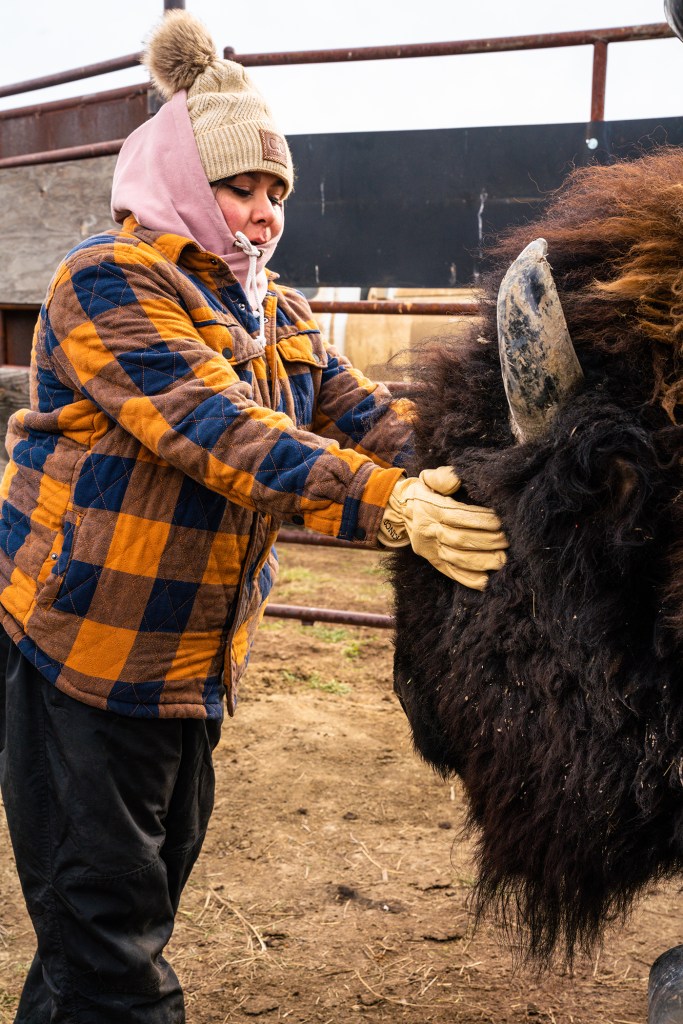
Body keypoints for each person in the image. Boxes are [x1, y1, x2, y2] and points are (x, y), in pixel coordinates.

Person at [0, 11, 507, 1023]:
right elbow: (210, 426)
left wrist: (490, 475)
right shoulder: (106, 280)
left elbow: (364, 413)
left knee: (111, 917)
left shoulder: (273, 309)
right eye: (239, 186)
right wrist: (386, 503)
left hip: (190, 661)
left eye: (275, 190)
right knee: (111, 939)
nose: (264, 210)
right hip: (87, 654)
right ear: (182, 179)